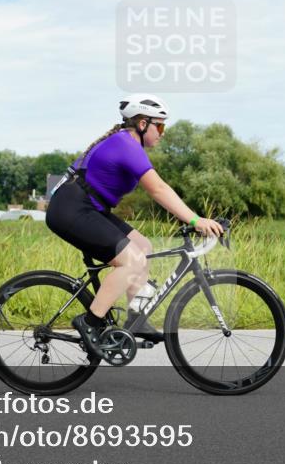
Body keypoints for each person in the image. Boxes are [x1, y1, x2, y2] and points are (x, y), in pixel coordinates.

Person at [45, 93, 224, 359]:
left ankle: (135, 318)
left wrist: (190, 219)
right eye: (160, 126)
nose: (162, 133)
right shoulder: (126, 145)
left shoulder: (128, 145)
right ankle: (90, 322)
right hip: (71, 209)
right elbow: (159, 189)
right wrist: (196, 220)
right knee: (131, 261)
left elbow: (159, 190)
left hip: (88, 208)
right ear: (142, 124)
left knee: (143, 246)